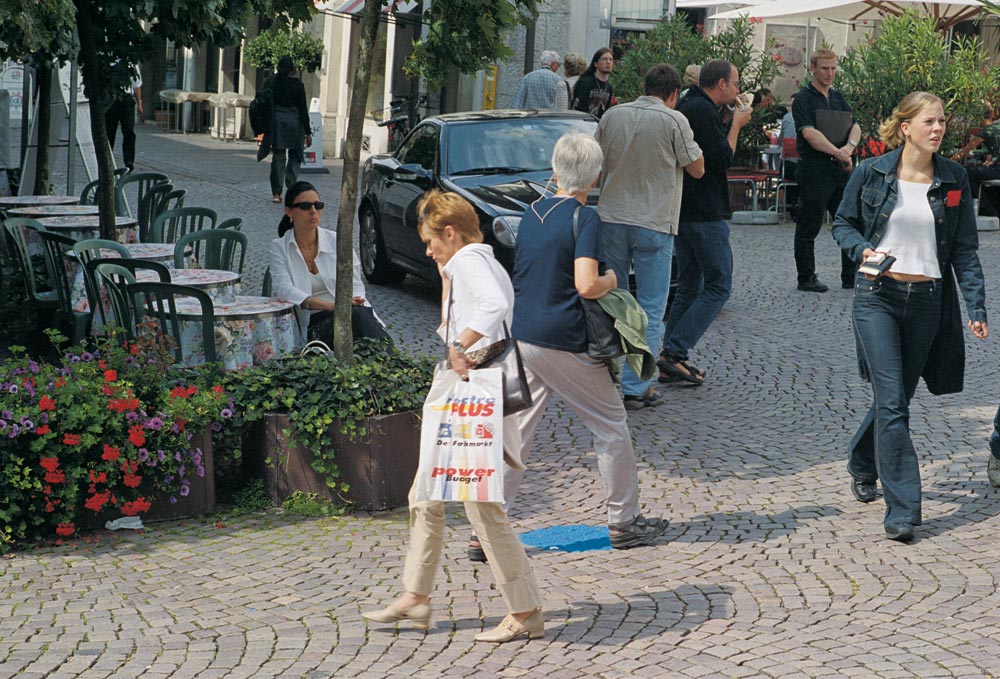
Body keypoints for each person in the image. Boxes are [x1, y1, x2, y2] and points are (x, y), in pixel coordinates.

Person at [362, 190, 544, 644]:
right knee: (425, 491)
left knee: (479, 503)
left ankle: (525, 609)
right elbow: (454, 325)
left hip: (471, 387)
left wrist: (461, 345)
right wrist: (446, 287)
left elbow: (491, 311)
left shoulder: (469, 261)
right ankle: (416, 595)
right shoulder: (471, 263)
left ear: (450, 232)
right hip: (467, 386)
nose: (426, 250)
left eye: (430, 241)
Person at [831, 91, 988, 543]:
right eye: (929, 122)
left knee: (894, 397)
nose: (938, 129)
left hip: (927, 303)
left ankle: (862, 460)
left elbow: (964, 249)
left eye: (941, 122)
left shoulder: (954, 179)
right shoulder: (872, 171)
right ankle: (903, 509)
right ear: (905, 128)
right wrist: (861, 249)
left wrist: (975, 306)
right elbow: (842, 222)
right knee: (895, 404)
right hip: (876, 296)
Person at [505, 132, 670, 549]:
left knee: (517, 434)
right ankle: (624, 520)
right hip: (566, 338)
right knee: (611, 424)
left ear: (555, 170)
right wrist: (613, 279)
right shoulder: (586, 218)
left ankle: (485, 528)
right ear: (594, 178)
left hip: (524, 334)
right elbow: (585, 283)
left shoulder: (531, 212)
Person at [596, 64, 704, 409]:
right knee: (652, 307)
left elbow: (596, 164)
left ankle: (611, 372)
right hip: (654, 221)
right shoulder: (673, 120)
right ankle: (636, 385)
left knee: (616, 300)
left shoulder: (613, 115)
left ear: (645, 86)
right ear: (673, 93)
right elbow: (697, 168)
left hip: (612, 217)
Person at [659, 60, 751, 386]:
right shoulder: (703, 110)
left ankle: (672, 359)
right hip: (703, 212)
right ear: (721, 84)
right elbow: (722, 159)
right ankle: (673, 350)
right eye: (736, 82)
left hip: (683, 210)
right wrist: (737, 124)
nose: (739, 89)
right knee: (718, 285)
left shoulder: (689, 103)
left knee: (688, 285)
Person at [268, 181, 389, 345]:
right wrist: (331, 306)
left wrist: (345, 306)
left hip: (350, 313)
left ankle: (386, 358)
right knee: (359, 320)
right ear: (289, 211)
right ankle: (390, 360)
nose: (313, 211)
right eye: (305, 206)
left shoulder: (336, 241)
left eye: (318, 205)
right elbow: (284, 289)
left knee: (359, 317)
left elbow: (355, 284)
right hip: (313, 322)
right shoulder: (279, 247)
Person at [792, 48, 862, 292]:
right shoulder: (803, 99)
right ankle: (806, 277)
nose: (829, 73)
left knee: (848, 222)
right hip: (814, 169)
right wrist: (839, 152)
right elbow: (810, 135)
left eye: (833, 68)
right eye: (824, 68)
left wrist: (849, 147)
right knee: (808, 225)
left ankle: (850, 275)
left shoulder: (838, 97)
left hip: (839, 170)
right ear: (813, 68)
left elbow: (855, 126)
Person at [257, 56, 311, 203]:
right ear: (292, 69)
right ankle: (291, 188)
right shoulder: (298, 85)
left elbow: (261, 102)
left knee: (279, 156)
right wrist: (308, 132)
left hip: (277, 123)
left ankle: (276, 192)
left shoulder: (271, 82)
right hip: (294, 124)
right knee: (295, 156)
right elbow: (303, 109)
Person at [105, 63, 143, 173]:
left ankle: (129, 161)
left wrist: (139, 103)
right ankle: (107, 160)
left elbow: (136, 84)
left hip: (126, 98)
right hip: (111, 98)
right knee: (109, 132)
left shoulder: (131, 62)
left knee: (129, 131)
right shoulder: (108, 59)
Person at [572, 48, 615, 119]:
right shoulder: (585, 82)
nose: (608, 62)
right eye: (604, 59)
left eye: (611, 59)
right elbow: (578, 107)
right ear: (596, 64)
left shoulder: (608, 87)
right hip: (582, 123)